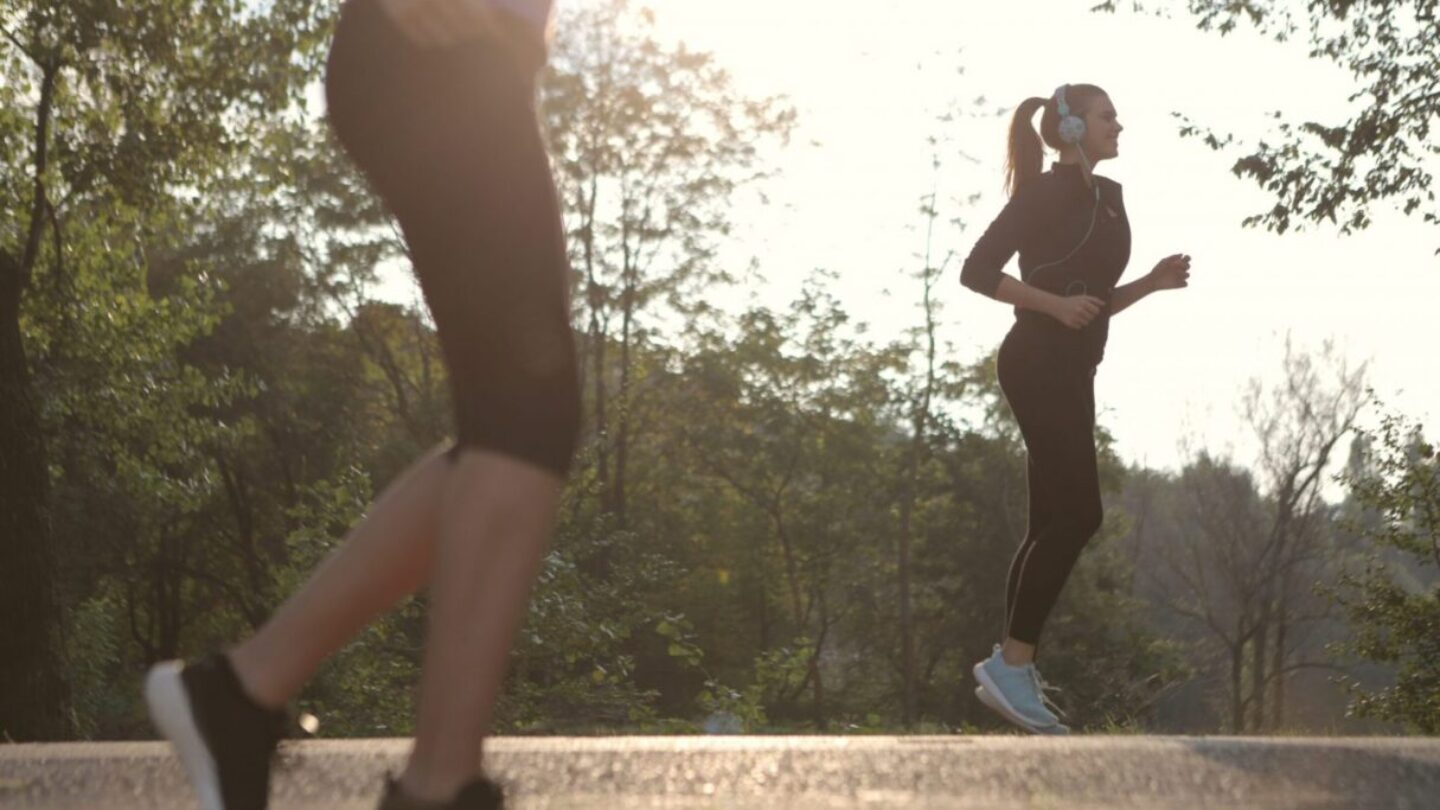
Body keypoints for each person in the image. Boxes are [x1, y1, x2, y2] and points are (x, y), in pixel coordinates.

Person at [144, 0, 576, 807]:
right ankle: (436, 783)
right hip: (436, 52)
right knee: (527, 417)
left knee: (515, 424)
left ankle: (238, 695)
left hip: (469, 63)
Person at [959, 84, 1191, 735]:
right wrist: (1052, 306)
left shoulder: (1109, 200)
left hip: (1072, 367)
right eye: (1107, 116)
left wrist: (1149, 284)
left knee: (1049, 521)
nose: (1119, 125)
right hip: (1035, 360)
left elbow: (1091, 300)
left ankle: (1012, 667)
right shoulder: (1042, 194)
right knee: (1080, 513)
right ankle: (1012, 664)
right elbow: (977, 271)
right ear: (1072, 126)